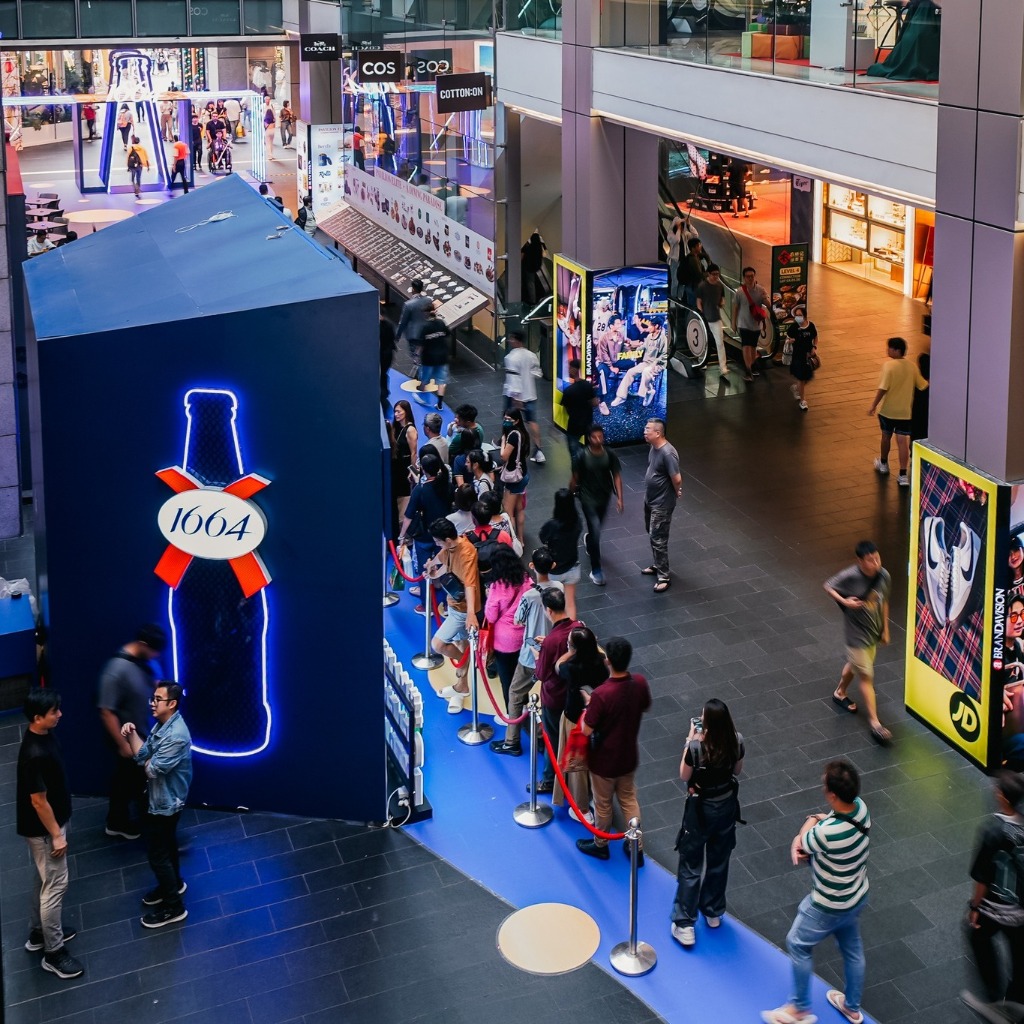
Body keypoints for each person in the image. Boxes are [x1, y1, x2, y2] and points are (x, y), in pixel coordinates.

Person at [761, 760, 871, 1024]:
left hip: (827, 904)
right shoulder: (861, 809)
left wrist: (807, 823)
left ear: (832, 795)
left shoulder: (826, 834)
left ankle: (798, 1009)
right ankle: (852, 1007)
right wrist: (817, 819)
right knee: (853, 951)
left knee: (797, 943)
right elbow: (829, 820)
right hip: (855, 896)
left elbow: (804, 841)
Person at [17, 688, 83, 980]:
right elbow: (38, 801)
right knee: (55, 887)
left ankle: (38, 933)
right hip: (46, 831)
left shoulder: (42, 738)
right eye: (54, 711)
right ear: (37, 717)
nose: (60, 715)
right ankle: (53, 952)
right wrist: (57, 835)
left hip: (47, 827)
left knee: (44, 880)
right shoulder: (34, 753)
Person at [671, 698, 745, 948]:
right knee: (719, 859)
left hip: (700, 809)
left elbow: (684, 775)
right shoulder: (736, 740)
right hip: (726, 807)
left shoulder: (695, 749)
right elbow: (737, 771)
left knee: (691, 862)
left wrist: (689, 740)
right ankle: (713, 911)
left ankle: (685, 923)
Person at [121, 681, 192, 928]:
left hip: (165, 803)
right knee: (167, 844)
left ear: (171, 704)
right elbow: (142, 756)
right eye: (153, 698)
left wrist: (147, 758)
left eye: (157, 699)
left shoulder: (176, 735)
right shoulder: (163, 725)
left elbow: (152, 769)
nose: (152, 703)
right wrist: (131, 735)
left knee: (157, 853)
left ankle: (174, 906)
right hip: (160, 799)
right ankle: (172, 884)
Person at [576, 636, 651, 863]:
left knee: (603, 803)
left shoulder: (602, 694)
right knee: (629, 799)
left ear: (607, 661)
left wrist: (588, 705)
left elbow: (586, 729)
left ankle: (601, 844)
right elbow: (645, 705)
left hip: (604, 761)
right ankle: (635, 844)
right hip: (628, 755)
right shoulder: (639, 683)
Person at [960, 770, 1024, 1022]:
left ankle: (994, 997)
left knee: (978, 938)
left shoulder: (993, 832)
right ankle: (1016, 1002)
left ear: (1003, 798)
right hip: (1022, 910)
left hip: (995, 907)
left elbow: (983, 878)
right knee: (1020, 958)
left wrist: (975, 906)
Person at [490, 548, 563, 757]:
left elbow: (518, 620)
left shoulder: (529, 595)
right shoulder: (559, 587)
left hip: (530, 655)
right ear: (553, 566)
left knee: (515, 694)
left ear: (532, 566)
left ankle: (511, 741)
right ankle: (544, 738)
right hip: (554, 651)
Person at [97, 623, 167, 840]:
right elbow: (106, 711)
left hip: (147, 736)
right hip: (131, 741)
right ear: (143, 645)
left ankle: (117, 821)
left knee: (125, 781)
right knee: (139, 783)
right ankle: (154, 831)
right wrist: (123, 745)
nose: (156, 655)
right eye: (154, 650)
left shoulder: (147, 662)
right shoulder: (116, 671)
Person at [824, 540, 892, 743]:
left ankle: (839, 692)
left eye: (877, 558)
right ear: (860, 561)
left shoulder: (884, 575)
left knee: (855, 665)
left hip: (873, 632)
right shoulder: (850, 575)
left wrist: (885, 629)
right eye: (870, 560)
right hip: (856, 635)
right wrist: (845, 601)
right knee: (866, 676)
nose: (876, 563)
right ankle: (875, 723)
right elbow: (828, 586)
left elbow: (884, 601)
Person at [553, 625, 608, 824]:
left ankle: (581, 808)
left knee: (576, 765)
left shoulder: (571, 668)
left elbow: (557, 666)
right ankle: (595, 798)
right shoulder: (602, 662)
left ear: (574, 648)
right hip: (597, 719)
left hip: (574, 718)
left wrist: (569, 651)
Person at [426, 518, 481, 713]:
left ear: (448, 539)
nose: (437, 544)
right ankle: (462, 686)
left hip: (462, 610)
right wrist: (432, 566)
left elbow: (470, 584)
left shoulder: (466, 552)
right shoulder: (450, 547)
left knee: (438, 644)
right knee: (460, 644)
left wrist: (471, 614)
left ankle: (463, 664)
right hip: (453, 603)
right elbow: (442, 556)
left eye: (439, 541)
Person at [868, 336, 929, 487]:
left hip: (888, 411)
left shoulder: (889, 366)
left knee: (886, 437)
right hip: (905, 412)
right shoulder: (912, 367)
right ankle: (903, 475)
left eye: (889, 347)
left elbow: (883, 388)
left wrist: (873, 405)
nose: (887, 350)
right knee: (902, 442)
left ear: (896, 350)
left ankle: (883, 464)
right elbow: (923, 385)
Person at [571, 424, 624, 587]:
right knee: (595, 530)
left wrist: (620, 498)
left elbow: (616, 475)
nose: (598, 440)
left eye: (600, 436)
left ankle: (589, 539)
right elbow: (575, 478)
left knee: (597, 527)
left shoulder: (609, 454)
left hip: (604, 496)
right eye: (594, 437)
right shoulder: (581, 456)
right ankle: (596, 570)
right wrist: (569, 495)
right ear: (589, 438)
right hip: (587, 498)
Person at [483, 545, 533, 715]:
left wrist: (489, 594)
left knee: (508, 680)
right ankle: (525, 706)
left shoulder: (498, 586)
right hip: (525, 635)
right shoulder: (526, 579)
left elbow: (490, 615)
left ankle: (512, 714)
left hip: (505, 641)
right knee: (521, 677)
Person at [534, 588, 574, 792]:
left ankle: (550, 780)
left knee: (553, 738)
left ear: (548, 610)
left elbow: (541, 673)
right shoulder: (578, 628)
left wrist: (540, 654)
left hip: (553, 696)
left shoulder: (551, 641)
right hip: (572, 693)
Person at [641, 417, 682, 593]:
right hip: (650, 499)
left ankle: (664, 575)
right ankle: (658, 564)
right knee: (652, 534)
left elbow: (677, 478)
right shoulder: (654, 447)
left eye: (648, 429)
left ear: (657, 433)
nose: (645, 430)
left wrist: (676, 491)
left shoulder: (667, 453)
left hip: (661, 503)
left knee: (658, 539)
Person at [397, 452, 451, 579]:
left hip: (425, 536)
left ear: (423, 469)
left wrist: (401, 536)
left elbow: (408, 517)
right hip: (444, 534)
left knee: (424, 570)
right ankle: (441, 590)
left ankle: (424, 594)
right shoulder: (447, 486)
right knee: (443, 566)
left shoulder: (419, 490)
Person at [539, 488, 582, 620]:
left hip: (553, 571)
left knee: (551, 606)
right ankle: (570, 635)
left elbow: (542, 537)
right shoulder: (577, 522)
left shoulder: (551, 525)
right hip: (572, 567)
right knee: (570, 603)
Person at [503, 330, 545, 463]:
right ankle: (539, 450)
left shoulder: (510, 358)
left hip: (514, 396)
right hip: (530, 394)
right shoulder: (531, 355)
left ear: (516, 340)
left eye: (511, 339)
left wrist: (516, 397)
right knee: (532, 421)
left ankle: (508, 446)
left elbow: (513, 378)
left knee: (508, 420)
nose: (509, 341)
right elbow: (538, 373)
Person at [611, 315, 669, 410]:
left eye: (651, 325)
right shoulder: (649, 336)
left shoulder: (663, 339)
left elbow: (665, 355)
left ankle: (644, 394)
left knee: (647, 371)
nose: (648, 327)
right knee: (630, 372)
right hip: (646, 363)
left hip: (657, 365)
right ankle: (621, 396)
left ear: (657, 326)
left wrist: (656, 362)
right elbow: (643, 347)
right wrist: (634, 351)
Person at [732, 265, 769, 383]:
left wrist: (765, 298)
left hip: (756, 324)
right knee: (746, 346)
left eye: (752, 276)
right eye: (747, 277)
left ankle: (752, 366)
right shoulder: (739, 292)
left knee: (753, 347)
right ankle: (748, 370)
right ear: (744, 278)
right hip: (743, 324)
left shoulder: (760, 290)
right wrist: (733, 322)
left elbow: (767, 305)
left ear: (755, 276)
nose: (750, 278)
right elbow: (735, 308)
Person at [500, 407, 531, 541]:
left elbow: (504, 456)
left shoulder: (512, 435)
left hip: (514, 478)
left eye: (509, 419)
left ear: (516, 421)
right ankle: (521, 539)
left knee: (508, 512)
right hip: (523, 474)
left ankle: (512, 541)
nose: (506, 421)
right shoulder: (522, 433)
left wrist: (502, 442)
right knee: (519, 508)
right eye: (505, 418)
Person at [561, 359, 598, 465]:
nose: (568, 371)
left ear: (574, 369)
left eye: (569, 368)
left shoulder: (568, 391)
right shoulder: (587, 385)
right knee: (589, 450)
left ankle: (577, 474)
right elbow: (595, 403)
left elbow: (566, 408)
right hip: (587, 422)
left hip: (574, 425)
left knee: (574, 453)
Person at [697, 263, 729, 380]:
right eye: (714, 274)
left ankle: (723, 367)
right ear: (708, 274)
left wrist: (722, 303)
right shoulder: (702, 286)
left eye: (717, 274)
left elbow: (722, 299)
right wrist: (701, 315)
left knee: (720, 342)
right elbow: (699, 301)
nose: (716, 276)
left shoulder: (720, 286)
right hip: (705, 318)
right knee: (704, 341)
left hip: (716, 318)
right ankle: (702, 361)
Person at [418, 311, 451, 410]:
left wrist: (417, 355)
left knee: (425, 378)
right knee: (441, 381)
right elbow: (447, 333)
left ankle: (421, 395)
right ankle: (440, 404)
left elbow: (421, 344)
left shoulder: (425, 327)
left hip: (429, 358)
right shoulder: (441, 323)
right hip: (442, 356)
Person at [396, 279, 435, 362]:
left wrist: (398, 335)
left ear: (413, 289)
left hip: (414, 334)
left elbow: (402, 322)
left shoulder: (408, 304)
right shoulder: (428, 300)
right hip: (426, 332)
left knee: (415, 355)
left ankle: (417, 369)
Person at [787, 307, 818, 411]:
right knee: (801, 377)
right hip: (798, 356)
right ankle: (803, 401)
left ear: (804, 315)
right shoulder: (794, 327)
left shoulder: (811, 326)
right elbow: (788, 337)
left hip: (808, 356)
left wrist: (814, 347)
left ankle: (796, 388)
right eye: (796, 315)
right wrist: (790, 341)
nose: (798, 317)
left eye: (800, 315)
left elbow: (815, 337)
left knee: (808, 377)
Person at [391, 400, 418, 522]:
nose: (396, 414)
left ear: (406, 412)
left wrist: (413, 472)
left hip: (404, 468)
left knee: (404, 497)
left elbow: (414, 452)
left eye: (398, 411)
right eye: (395, 411)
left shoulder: (410, 430)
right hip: (396, 467)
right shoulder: (396, 427)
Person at [447, 404, 484, 484]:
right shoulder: (480, 429)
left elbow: (450, 450)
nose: (457, 421)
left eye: (459, 420)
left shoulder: (460, 437)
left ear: (467, 422)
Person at [520, 231, 547, 304]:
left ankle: (532, 300)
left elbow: (523, 256)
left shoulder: (529, 247)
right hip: (536, 266)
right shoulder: (540, 246)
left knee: (530, 282)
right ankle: (533, 299)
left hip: (529, 267)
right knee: (531, 282)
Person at [380, 311, 397, 410]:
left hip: (382, 354)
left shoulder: (378, 327)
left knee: (381, 374)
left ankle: (383, 392)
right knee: (384, 374)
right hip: (388, 353)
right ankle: (385, 392)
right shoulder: (389, 324)